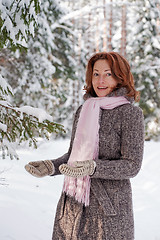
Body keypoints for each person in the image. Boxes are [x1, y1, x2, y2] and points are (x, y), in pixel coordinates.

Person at [25, 52, 144, 240]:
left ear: (120, 77)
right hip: (73, 205)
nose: (100, 80)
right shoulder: (84, 110)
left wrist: (94, 168)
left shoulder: (130, 114)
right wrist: (51, 166)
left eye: (108, 74)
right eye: (96, 74)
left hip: (108, 209)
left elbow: (132, 165)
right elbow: (74, 156)